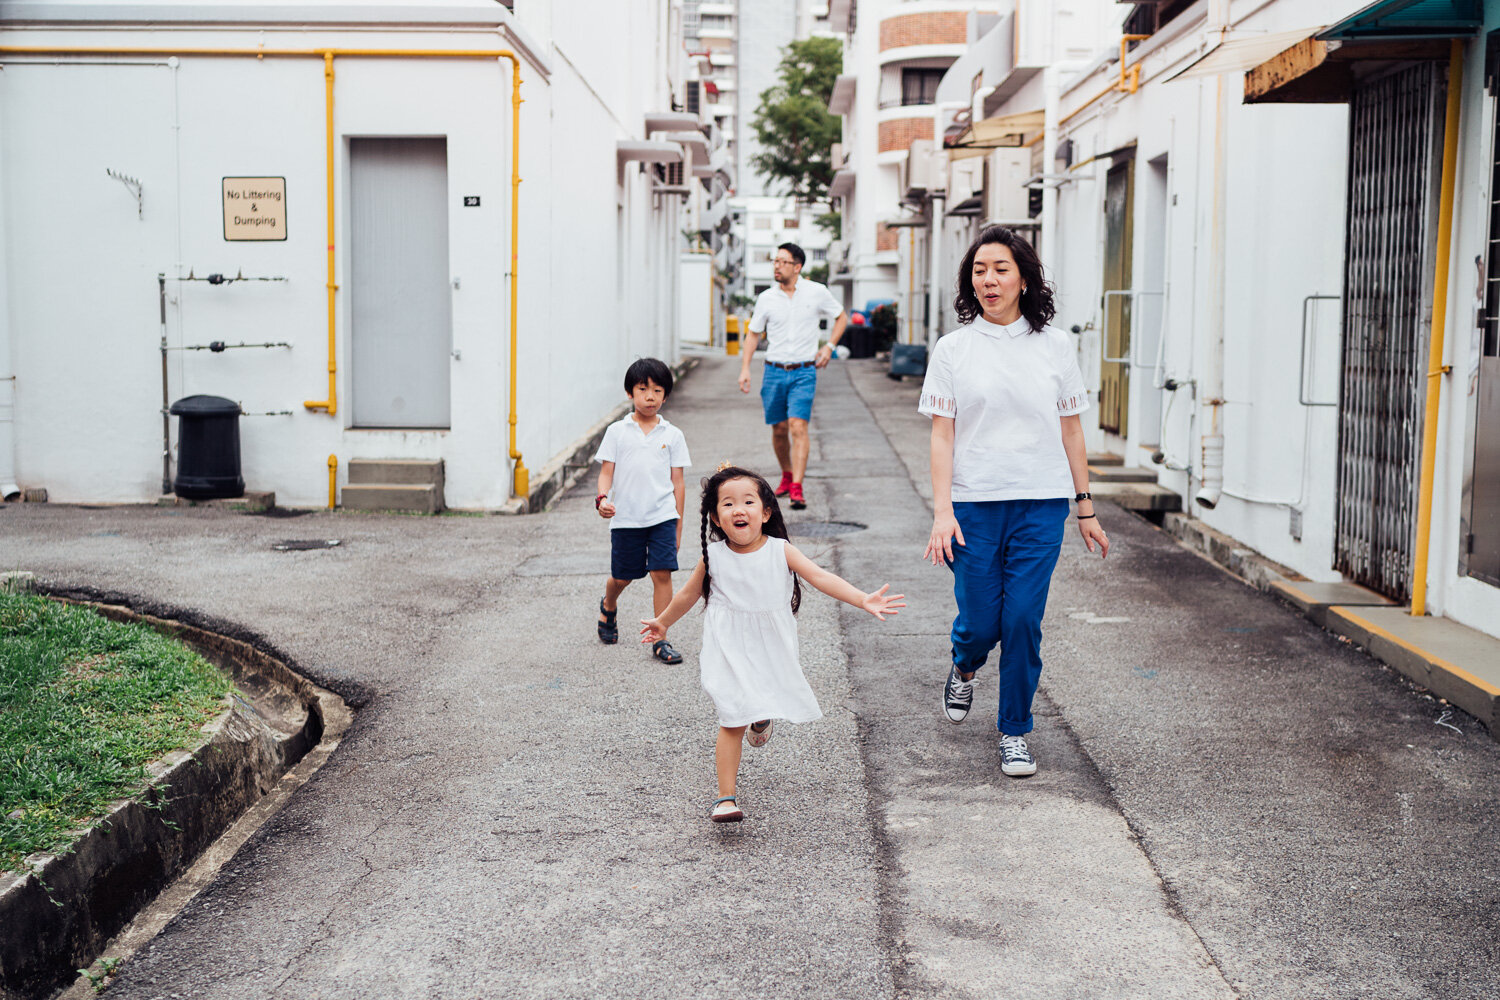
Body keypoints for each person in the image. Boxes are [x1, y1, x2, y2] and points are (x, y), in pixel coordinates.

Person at [920, 226, 1109, 778]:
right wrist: (941, 511)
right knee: (981, 623)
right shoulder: (953, 349)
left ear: (1024, 278)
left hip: (1040, 505)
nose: (989, 280)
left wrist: (1085, 506)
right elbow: (941, 435)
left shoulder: (1056, 346)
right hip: (974, 505)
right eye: (979, 270)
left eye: (1000, 269)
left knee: (1023, 619)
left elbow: (1071, 431)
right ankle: (964, 665)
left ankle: (1015, 731)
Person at [640, 465, 904, 823]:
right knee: (732, 715)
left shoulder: (780, 550)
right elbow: (688, 594)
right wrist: (663, 622)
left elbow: (820, 577)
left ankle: (760, 715)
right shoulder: (713, 557)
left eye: (748, 501)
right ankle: (725, 798)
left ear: (765, 513)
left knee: (757, 696)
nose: (739, 509)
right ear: (716, 519)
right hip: (728, 645)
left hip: (770, 645)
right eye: (728, 504)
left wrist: (862, 599)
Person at [595, 358, 692, 664]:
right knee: (622, 577)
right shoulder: (617, 431)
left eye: (657, 390)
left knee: (661, 573)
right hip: (626, 518)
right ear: (630, 393)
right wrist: (601, 499)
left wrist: (677, 524)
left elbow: (678, 482)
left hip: (662, 516)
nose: (650, 396)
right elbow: (606, 472)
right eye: (642, 389)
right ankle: (608, 604)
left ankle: (660, 639)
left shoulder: (672, 435)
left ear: (665, 396)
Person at [738, 242, 848, 510]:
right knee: (779, 429)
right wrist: (745, 368)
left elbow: (841, 317)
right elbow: (753, 333)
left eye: (782, 261)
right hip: (773, 371)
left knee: (798, 427)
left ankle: (797, 486)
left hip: (804, 372)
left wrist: (829, 346)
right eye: (775, 261)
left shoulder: (816, 292)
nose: (776, 266)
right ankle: (787, 474)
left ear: (797, 267)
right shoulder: (766, 298)